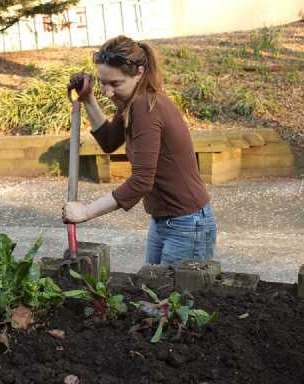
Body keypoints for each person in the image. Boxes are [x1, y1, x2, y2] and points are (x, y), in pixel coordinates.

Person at [62, 35, 217, 265]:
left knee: (171, 290)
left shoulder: (146, 106)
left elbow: (141, 182)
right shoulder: (133, 102)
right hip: (164, 221)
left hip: (186, 225)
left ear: (139, 73)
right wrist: (88, 98)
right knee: (152, 287)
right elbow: (108, 141)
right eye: (102, 82)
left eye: (115, 84)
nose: (107, 92)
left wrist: (86, 212)